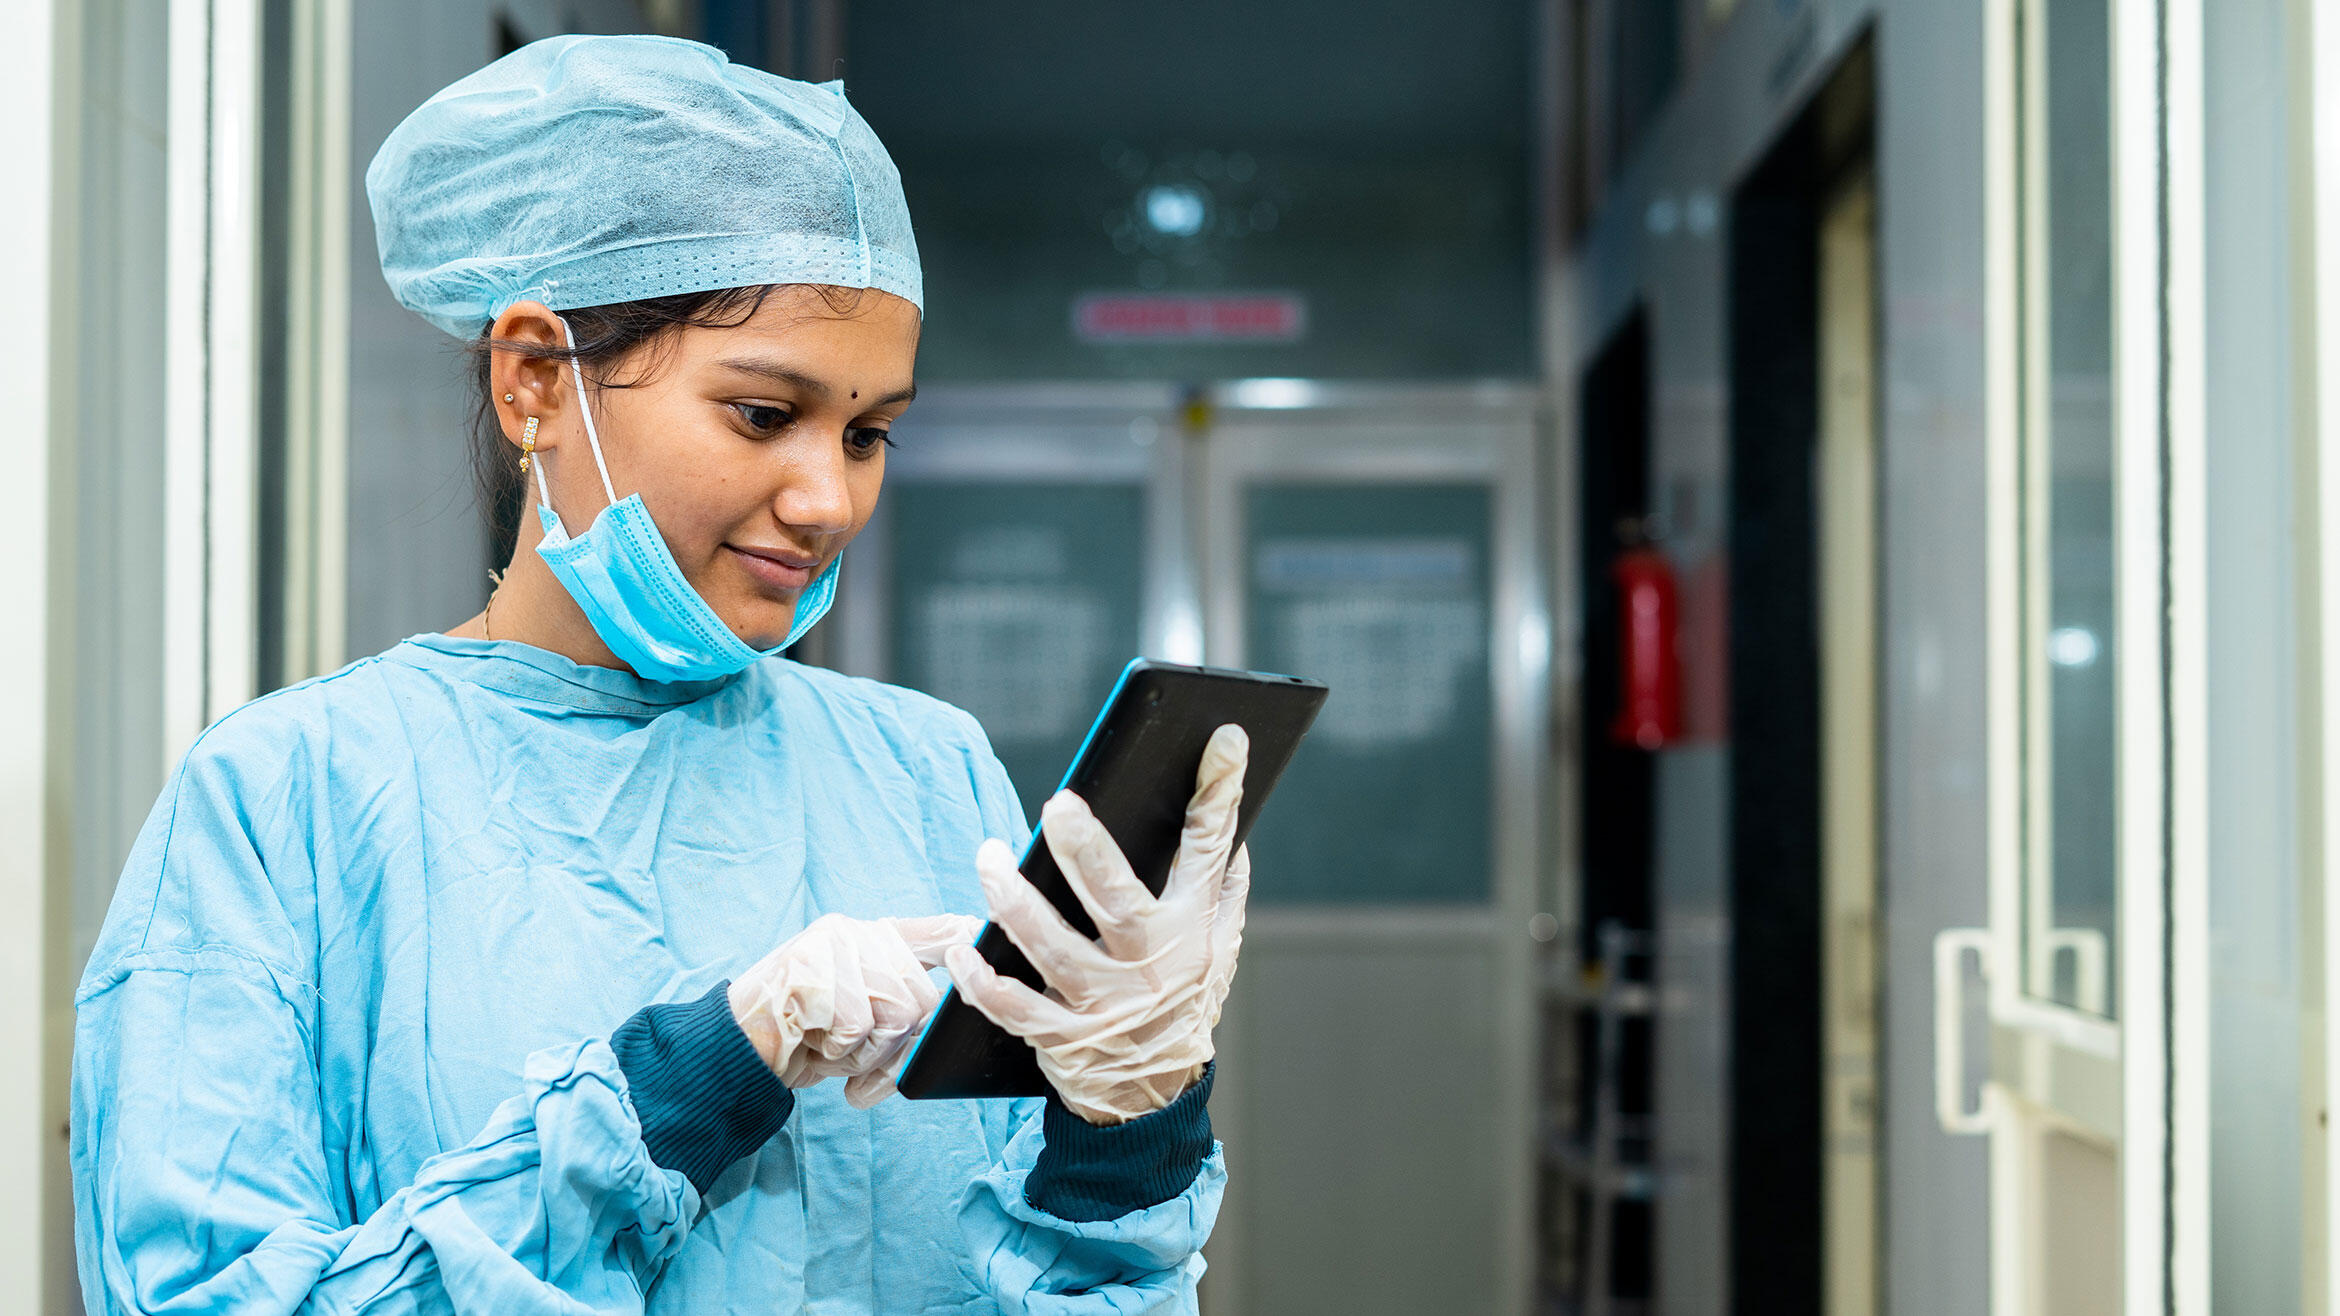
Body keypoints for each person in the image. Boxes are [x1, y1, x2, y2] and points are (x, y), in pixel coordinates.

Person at [70, 34, 1250, 1314]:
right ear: (534, 379)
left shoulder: (924, 766)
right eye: (762, 413)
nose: (825, 498)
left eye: (867, 434)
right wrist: (692, 1078)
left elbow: (1080, 1288)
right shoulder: (287, 797)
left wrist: (1129, 1114)